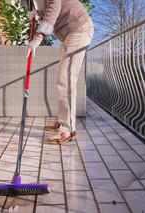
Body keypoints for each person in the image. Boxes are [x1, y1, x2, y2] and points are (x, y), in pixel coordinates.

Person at [24, 0, 94, 144]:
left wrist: (38, 37)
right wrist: (37, 14)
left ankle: (67, 129)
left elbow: (54, 6)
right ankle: (63, 122)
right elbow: (47, 11)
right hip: (69, 33)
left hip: (78, 28)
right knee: (62, 78)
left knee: (66, 79)